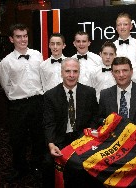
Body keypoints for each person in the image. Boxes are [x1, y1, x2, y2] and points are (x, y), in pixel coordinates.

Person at [0, 23, 45, 182]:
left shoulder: (38, 55)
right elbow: (6, 86)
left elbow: (43, 78)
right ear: (12, 39)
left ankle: (37, 166)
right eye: (18, 36)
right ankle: (20, 168)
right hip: (18, 105)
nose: (23, 39)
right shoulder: (6, 62)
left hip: (38, 102)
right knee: (18, 139)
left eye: (25, 36)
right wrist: (18, 97)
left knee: (39, 137)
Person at [42, 57, 99, 187]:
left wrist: (89, 136)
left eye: (75, 71)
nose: (71, 75)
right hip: (60, 139)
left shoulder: (89, 92)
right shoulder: (50, 95)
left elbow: (95, 117)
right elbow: (49, 123)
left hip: (82, 138)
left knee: (89, 165)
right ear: (61, 72)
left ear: (79, 73)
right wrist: (51, 144)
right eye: (68, 71)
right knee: (47, 163)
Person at [98, 56, 136, 127]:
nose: (121, 75)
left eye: (125, 70)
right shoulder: (105, 94)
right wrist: (106, 122)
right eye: (117, 71)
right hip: (112, 137)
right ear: (112, 73)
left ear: (131, 71)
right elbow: (99, 119)